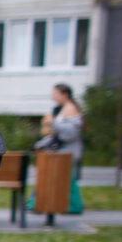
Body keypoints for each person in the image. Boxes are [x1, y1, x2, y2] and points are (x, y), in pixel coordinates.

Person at [33, 83, 85, 214]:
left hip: (68, 152)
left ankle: (73, 205)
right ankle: (41, 203)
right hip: (60, 151)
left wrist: (53, 123)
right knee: (56, 177)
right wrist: (42, 143)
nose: (53, 96)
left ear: (65, 94)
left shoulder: (71, 109)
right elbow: (55, 134)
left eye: (56, 93)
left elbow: (70, 134)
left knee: (67, 179)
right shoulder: (59, 109)